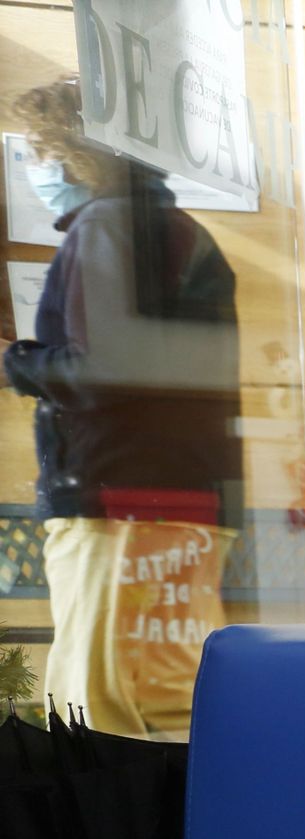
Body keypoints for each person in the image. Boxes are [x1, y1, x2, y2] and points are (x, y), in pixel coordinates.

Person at [3, 79, 239, 738]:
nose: (31, 170)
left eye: (36, 153)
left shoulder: (109, 226)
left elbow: (110, 369)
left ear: (74, 152)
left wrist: (19, 361)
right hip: (175, 498)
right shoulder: (177, 231)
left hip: (123, 502)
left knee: (104, 713)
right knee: (161, 696)